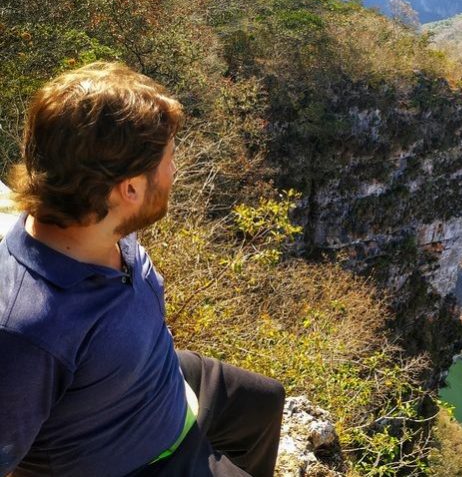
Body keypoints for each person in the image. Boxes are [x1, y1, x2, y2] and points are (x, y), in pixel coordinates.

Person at [0, 62, 285, 477]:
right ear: (130, 188)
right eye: (169, 159)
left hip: (151, 378)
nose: (175, 170)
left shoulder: (98, 218)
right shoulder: (29, 329)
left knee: (265, 400)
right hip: (132, 459)